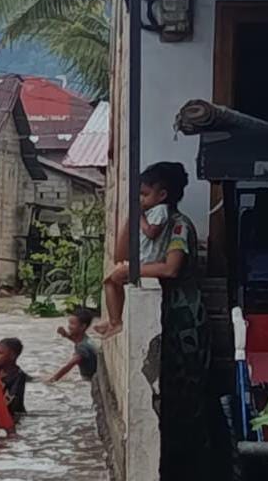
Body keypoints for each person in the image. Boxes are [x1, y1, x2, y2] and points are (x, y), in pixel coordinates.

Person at [98, 161, 187, 339]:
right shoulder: (148, 216)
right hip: (166, 315)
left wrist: (131, 270)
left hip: (180, 316)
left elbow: (170, 269)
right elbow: (120, 256)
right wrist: (133, 217)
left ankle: (116, 321)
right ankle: (114, 321)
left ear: (162, 195)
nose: (140, 199)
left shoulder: (178, 225)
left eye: (144, 194)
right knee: (111, 280)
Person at [49, 308, 99, 383]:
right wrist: (65, 335)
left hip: (89, 381)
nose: (69, 326)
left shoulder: (82, 347)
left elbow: (69, 365)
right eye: (69, 323)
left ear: (83, 326)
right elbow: (76, 341)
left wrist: (52, 379)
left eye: (72, 324)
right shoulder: (86, 340)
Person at [0, 337, 29, 417]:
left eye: (0, 353)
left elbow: (13, 400)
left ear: (12, 356)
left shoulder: (18, 376)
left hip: (14, 414)